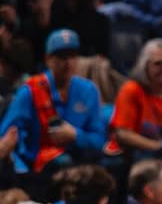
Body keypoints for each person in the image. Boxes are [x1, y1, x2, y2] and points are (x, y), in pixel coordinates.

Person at [0, 29, 106, 176]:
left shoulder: (89, 90)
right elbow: (6, 136)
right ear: (48, 59)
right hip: (39, 167)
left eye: (72, 56)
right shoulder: (31, 90)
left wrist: (75, 135)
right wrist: (21, 169)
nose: (68, 63)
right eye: (61, 57)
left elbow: (99, 140)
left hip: (81, 164)